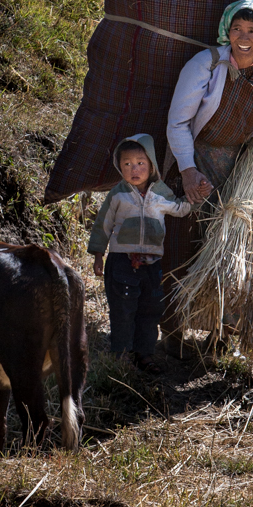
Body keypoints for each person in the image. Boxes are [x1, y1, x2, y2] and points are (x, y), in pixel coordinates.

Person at [160, 0, 253, 356]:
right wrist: (188, 172)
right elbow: (178, 122)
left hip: (236, 168)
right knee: (182, 239)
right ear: (227, 32)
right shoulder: (206, 65)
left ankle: (220, 334)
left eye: (252, 30)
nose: (244, 37)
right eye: (237, 29)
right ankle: (171, 331)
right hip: (195, 158)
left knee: (230, 249)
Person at [88, 134, 192, 374]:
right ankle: (122, 357)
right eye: (127, 164)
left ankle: (145, 355)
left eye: (140, 163)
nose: (134, 169)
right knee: (123, 311)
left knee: (150, 310)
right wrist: (97, 253)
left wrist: (195, 196)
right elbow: (103, 224)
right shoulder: (118, 194)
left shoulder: (161, 193)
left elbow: (179, 208)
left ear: (152, 165)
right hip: (122, 262)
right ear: (119, 166)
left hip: (152, 265)